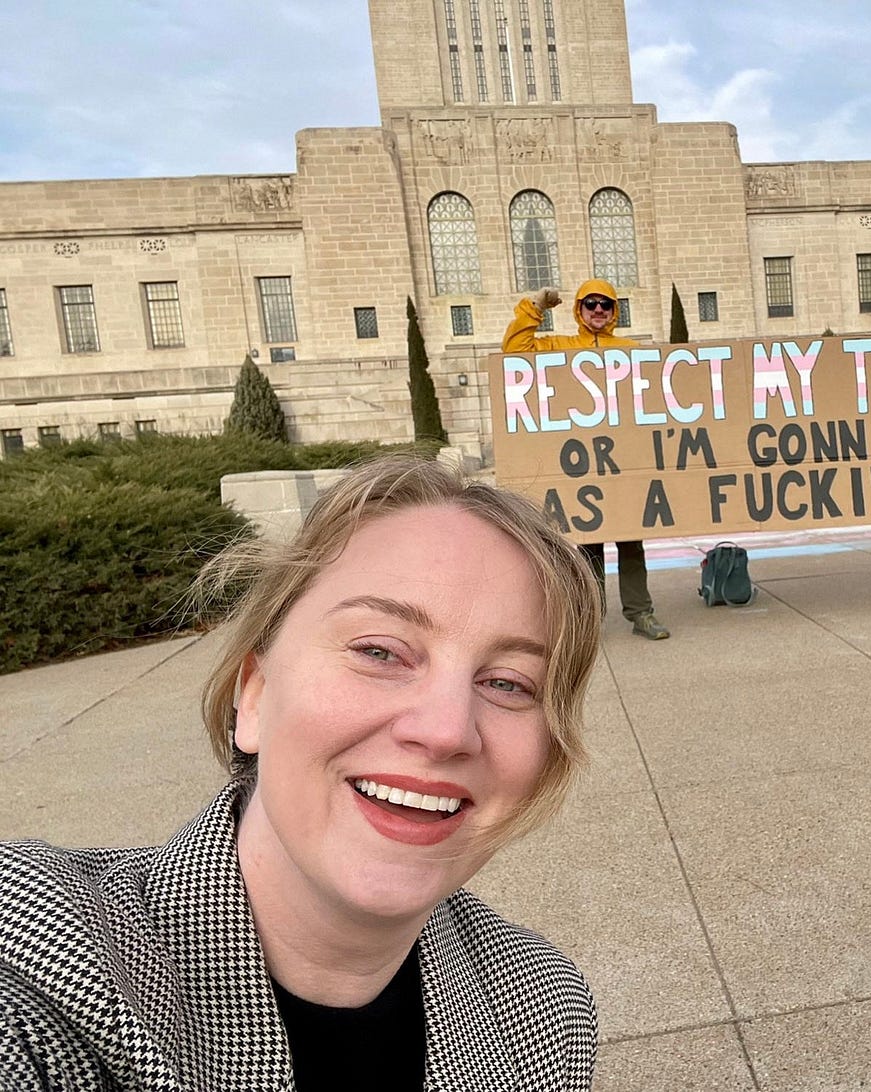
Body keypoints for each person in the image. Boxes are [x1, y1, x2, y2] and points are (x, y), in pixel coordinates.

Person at [0, 456, 602, 1089]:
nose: (447, 729)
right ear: (254, 696)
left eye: (509, 683)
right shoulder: (44, 955)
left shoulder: (546, 1014)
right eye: (379, 651)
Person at [504, 278, 671, 639]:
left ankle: (641, 613)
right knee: (589, 546)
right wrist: (535, 308)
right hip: (582, 463)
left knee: (631, 542)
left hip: (622, 461)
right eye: (590, 304)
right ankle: (591, 620)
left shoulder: (631, 350)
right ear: (579, 310)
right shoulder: (559, 347)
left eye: (605, 304)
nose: (598, 310)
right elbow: (515, 352)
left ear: (615, 311)